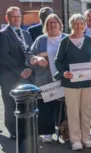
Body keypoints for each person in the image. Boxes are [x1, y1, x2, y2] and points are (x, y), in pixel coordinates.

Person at [55, 14, 91, 151]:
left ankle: (86, 138)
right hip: (71, 83)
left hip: (88, 82)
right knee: (73, 111)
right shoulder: (65, 41)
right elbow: (57, 61)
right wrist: (63, 72)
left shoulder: (89, 41)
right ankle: (75, 140)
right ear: (71, 25)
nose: (79, 26)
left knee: (86, 110)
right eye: (76, 23)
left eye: (81, 23)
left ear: (85, 25)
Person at [0, 6, 34, 139]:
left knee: (25, 104)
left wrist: (30, 68)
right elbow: (3, 56)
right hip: (10, 77)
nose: (16, 19)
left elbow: (30, 53)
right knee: (11, 105)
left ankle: (25, 129)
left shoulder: (27, 34)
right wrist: (21, 71)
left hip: (26, 76)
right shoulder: (2, 34)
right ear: (7, 18)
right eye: (13, 16)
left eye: (18, 17)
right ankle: (14, 132)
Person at [28, 14, 66, 143]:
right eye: (49, 22)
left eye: (55, 22)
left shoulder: (66, 38)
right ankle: (47, 133)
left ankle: (63, 132)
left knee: (62, 107)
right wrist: (38, 58)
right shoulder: (41, 39)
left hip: (63, 79)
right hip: (45, 78)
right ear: (46, 25)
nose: (52, 24)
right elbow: (30, 55)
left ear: (60, 24)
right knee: (45, 106)